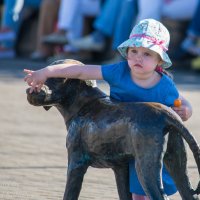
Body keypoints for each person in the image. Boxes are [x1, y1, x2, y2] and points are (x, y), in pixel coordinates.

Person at [24, 19, 192, 199]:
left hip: (153, 142)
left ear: (159, 60)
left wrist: (187, 110)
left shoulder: (165, 85)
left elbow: (179, 102)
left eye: (147, 54)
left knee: (153, 188)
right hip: (125, 140)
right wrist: (47, 72)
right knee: (137, 194)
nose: (138, 58)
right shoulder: (118, 72)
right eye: (133, 51)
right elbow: (81, 71)